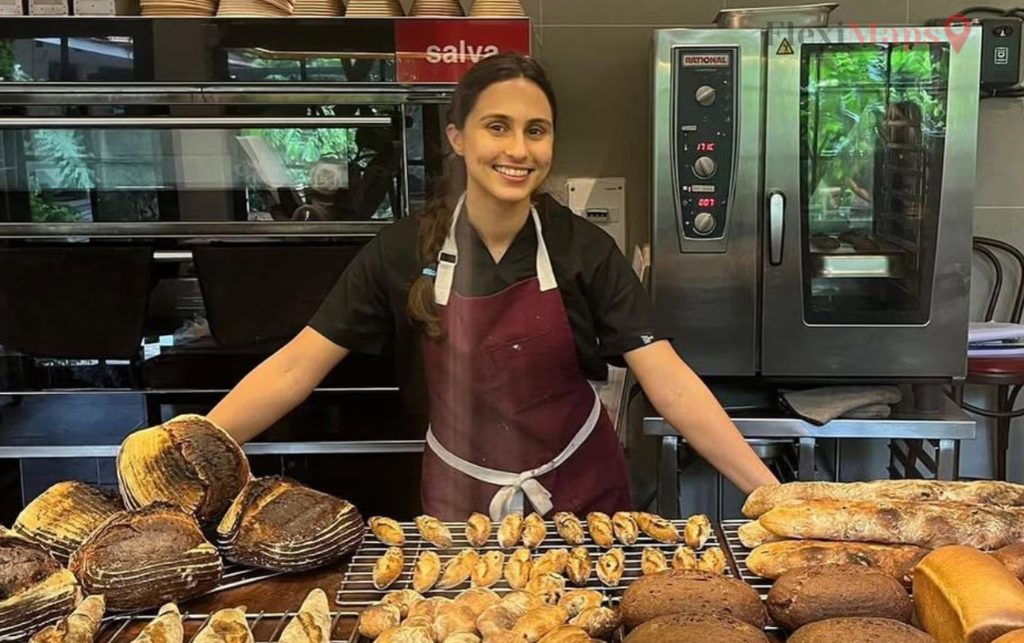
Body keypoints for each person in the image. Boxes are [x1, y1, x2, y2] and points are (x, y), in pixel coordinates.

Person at [207, 52, 779, 521]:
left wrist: (770, 494)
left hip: (583, 501)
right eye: (497, 127)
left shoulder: (582, 249)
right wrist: (190, 449)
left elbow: (669, 382)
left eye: (536, 131)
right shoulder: (401, 251)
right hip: (462, 509)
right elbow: (293, 370)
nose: (518, 150)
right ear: (457, 136)